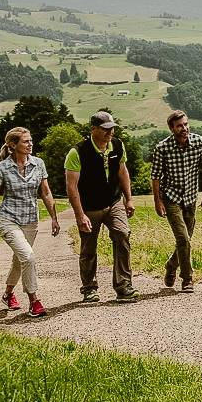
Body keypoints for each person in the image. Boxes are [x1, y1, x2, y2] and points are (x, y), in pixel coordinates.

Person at [0, 126, 59, 318]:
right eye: (26, 141)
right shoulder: (1, 169)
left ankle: (8, 294)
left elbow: (46, 192)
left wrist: (54, 217)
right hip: (8, 219)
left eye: (31, 140)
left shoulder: (38, 164)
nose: (30, 144)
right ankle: (34, 301)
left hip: (31, 221)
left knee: (20, 261)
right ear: (12, 145)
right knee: (28, 257)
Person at [65, 111, 139, 303]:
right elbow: (71, 187)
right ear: (93, 129)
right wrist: (80, 215)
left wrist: (128, 199)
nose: (110, 132)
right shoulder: (77, 152)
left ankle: (123, 286)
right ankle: (89, 288)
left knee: (122, 234)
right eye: (105, 129)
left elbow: (123, 172)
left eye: (112, 128)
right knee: (89, 247)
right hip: (90, 207)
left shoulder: (118, 146)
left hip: (114, 201)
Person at [151, 110, 202, 293]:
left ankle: (171, 265)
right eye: (180, 126)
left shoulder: (199, 142)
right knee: (183, 238)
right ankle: (187, 279)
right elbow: (155, 177)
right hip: (171, 198)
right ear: (172, 128)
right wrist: (157, 202)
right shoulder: (162, 148)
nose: (184, 128)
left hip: (191, 197)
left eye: (186, 124)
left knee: (186, 240)